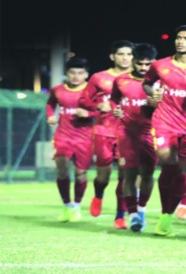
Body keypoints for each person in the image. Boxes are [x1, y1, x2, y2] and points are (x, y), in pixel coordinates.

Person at [142, 25, 186, 237]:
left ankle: (170, 213)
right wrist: (152, 94)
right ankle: (164, 213)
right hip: (164, 122)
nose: (180, 41)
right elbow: (147, 83)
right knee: (168, 163)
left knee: (182, 172)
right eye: (179, 37)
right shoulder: (160, 65)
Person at [79, 40, 135, 229]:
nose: (125, 58)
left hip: (128, 134)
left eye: (129, 54)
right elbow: (83, 100)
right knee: (103, 176)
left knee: (125, 176)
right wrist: (97, 106)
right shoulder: (99, 78)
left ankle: (120, 216)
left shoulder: (139, 78)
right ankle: (98, 194)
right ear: (112, 57)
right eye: (121, 54)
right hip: (104, 132)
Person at [111, 43, 159, 233]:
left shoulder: (160, 82)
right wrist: (116, 109)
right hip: (127, 133)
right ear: (133, 61)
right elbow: (114, 99)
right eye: (140, 63)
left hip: (151, 133)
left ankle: (142, 209)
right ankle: (132, 215)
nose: (144, 68)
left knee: (147, 175)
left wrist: (158, 105)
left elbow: (172, 106)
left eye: (148, 64)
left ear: (154, 63)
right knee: (128, 174)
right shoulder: (121, 80)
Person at [46, 56, 94, 222]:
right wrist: (50, 116)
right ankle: (66, 205)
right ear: (67, 73)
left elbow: (102, 109)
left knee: (80, 174)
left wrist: (88, 113)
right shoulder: (58, 90)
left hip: (85, 137)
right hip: (63, 136)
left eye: (80, 73)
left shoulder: (92, 91)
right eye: (72, 73)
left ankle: (77, 206)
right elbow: (50, 104)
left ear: (86, 74)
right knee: (62, 169)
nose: (76, 76)